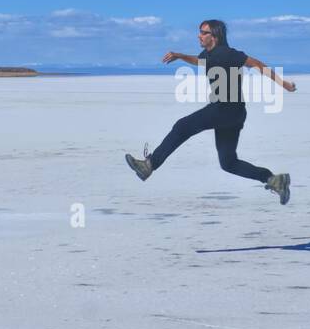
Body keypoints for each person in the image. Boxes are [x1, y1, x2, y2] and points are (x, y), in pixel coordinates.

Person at [125, 19, 296, 204]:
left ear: (215, 36)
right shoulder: (208, 54)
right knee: (228, 163)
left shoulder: (228, 53)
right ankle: (274, 180)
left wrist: (284, 84)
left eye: (203, 32)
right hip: (235, 114)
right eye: (199, 31)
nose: (199, 35)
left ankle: (150, 165)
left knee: (183, 126)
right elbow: (199, 61)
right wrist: (181, 56)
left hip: (225, 108)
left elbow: (257, 65)